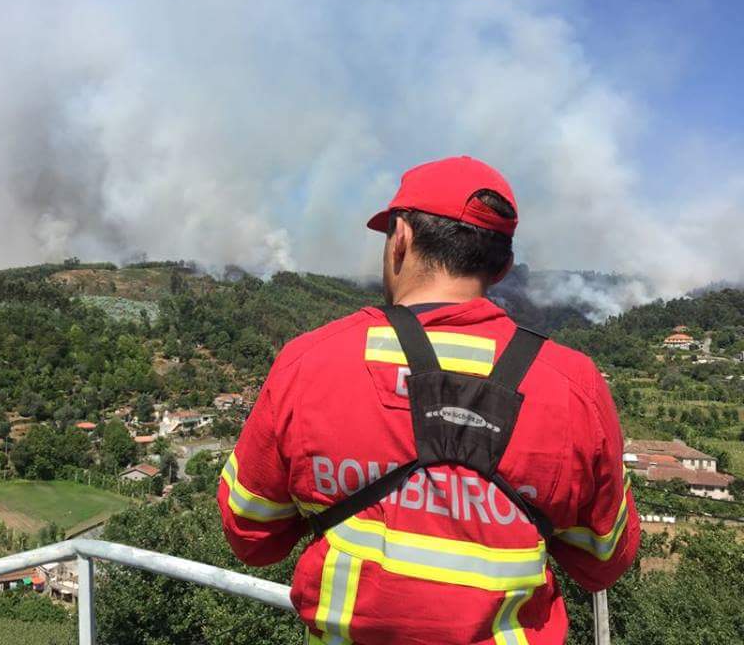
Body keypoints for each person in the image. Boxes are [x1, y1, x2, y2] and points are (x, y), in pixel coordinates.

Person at [217, 156, 640, 645]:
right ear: (502, 266)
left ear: (401, 239)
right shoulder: (574, 386)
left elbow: (249, 534)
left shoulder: (311, 361)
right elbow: (605, 561)